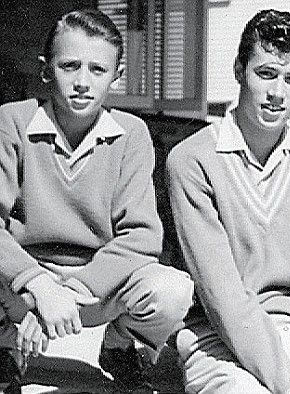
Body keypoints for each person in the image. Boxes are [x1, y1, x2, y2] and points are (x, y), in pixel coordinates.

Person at [0, 9, 193, 394]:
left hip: (95, 287)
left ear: (116, 77)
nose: (82, 82)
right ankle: (6, 343)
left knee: (172, 289)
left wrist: (69, 293)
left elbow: (141, 237)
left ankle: (120, 345)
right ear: (45, 69)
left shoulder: (131, 134)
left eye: (97, 70)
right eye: (69, 66)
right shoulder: (13, 122)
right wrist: (39, 285)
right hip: (22, 282)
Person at [166, 9, 290, 394]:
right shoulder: (192, 160)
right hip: (217, 339)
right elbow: (224, 296)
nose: (277, 93)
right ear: (239, 69)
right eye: (265, 73)